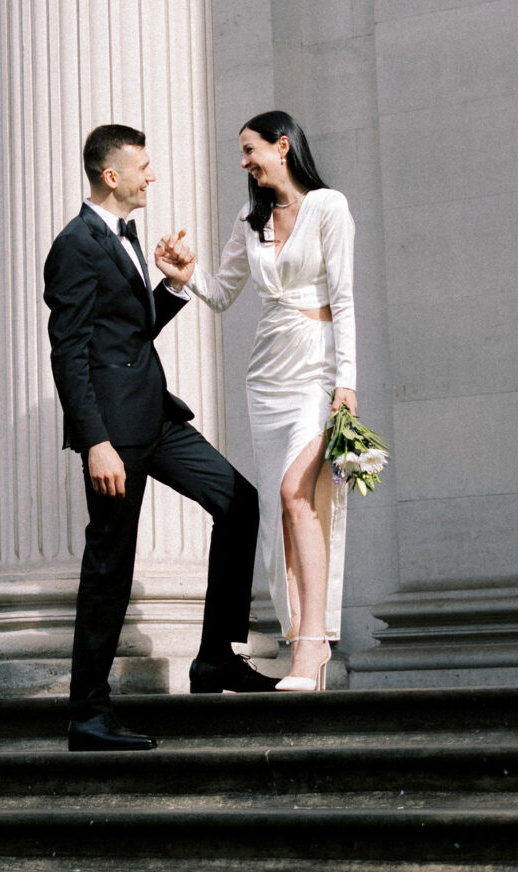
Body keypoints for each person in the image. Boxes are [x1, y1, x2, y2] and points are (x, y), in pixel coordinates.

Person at [43, 122, 275, 753]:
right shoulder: (76, 243)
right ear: (110, 175)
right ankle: (88, 714)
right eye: (143, 166)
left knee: (239, 500)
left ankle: (214, 658)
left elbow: (128, 331)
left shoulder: (126, 237)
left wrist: (170, 286)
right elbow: (70, 353)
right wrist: (94, 442)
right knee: (110, 565)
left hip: (157, 417)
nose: (153, 175)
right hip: (115, 434)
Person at [155, 111, 356, 694]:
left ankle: (311, 646)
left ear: (282, 145)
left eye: (250, 150)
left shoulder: (329, 207)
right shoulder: (251, 217)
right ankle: (302, 641)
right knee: (280, 510)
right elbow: (221, 295)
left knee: (300, 497)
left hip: (317, 370)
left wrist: (347, 383)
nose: (243, 162)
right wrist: (184, 275)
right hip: (267, 375)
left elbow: (344, 300)